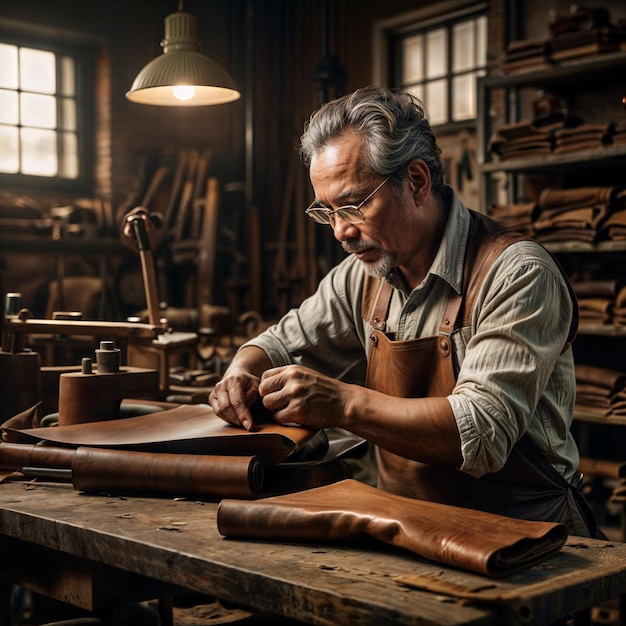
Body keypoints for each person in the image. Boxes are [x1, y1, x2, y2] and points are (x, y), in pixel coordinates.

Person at [208, 86, 595, 536]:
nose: (340, 232)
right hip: (407, 527)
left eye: (353, 206)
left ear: (416, 181)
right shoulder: (363, 274)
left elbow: (482, 431)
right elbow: (277, 344)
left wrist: (343, 403)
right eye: (327, 212)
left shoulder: (517, 274)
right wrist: (240, 371)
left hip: (526, 536)